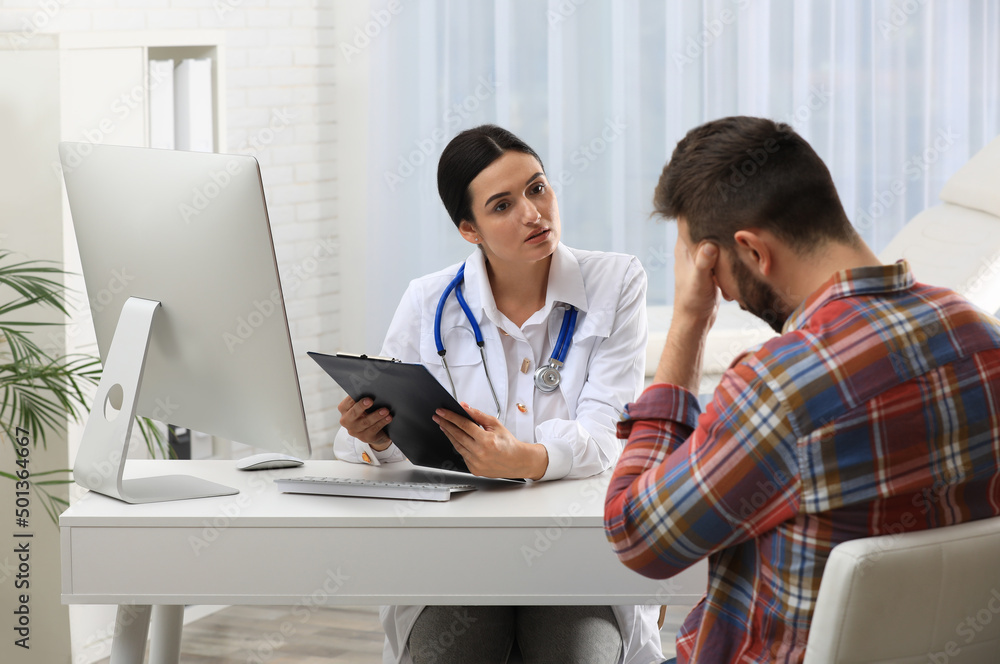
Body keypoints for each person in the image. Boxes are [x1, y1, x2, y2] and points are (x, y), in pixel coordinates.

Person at [604, 116, 1000, 663]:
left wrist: (688, 323)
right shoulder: (983, 338)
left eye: (713, 273)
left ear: (753, 252)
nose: (725, 294)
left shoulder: (778, 389)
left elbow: (636, 537)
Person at [334, 125, 662, 664]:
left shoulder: (616, 282)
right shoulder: (428, 301)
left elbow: (608, 434)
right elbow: (378, 455)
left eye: (537, 188)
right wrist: (377, 437)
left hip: (575, 554)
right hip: (459, 557)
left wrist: (525, 460)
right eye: (503, 205)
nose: (533, 214)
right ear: (470, 229)